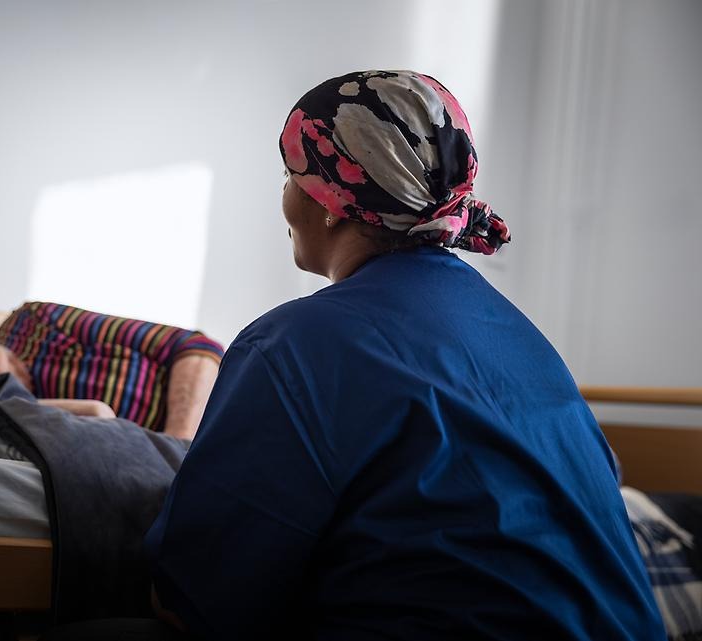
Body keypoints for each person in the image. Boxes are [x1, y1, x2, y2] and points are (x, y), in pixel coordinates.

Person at [137, 71, 666, 640]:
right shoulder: (522, 338)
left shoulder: (294, 345)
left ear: (330, 200)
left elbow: (193, 596)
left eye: (289, 176)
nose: (284, 197)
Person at [0, 303, 223, 440]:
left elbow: (195, 347)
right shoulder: (7, 422)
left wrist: (180, 446)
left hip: (226, 402)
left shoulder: (33, 323)